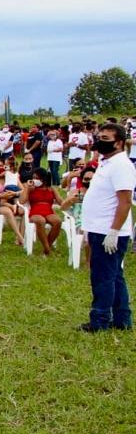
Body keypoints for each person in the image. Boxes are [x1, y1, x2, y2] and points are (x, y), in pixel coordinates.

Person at [78, 122, 133, 331]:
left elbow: (125, 201)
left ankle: (100, 321)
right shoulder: (107, 162)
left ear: (118, 143)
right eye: (99, 137)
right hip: (99, 229)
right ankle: (122, 320)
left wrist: (114, 231)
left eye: (106, 139)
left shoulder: (121, 165)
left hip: (108, 232)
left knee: (103, 278)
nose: (100, 142)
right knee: (114, 277)